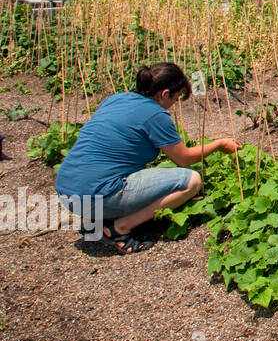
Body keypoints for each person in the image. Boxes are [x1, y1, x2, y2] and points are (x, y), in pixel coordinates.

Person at [54, 62, 240, 254]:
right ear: (164, 94)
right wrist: (218, 144)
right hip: (94, 198)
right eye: (175, 98)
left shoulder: (117, 99)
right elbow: (183, 159)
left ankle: (99, 216)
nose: (173, 105)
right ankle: (119, 228)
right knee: (192, 181)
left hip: (66, 193)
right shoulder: (156, 115)